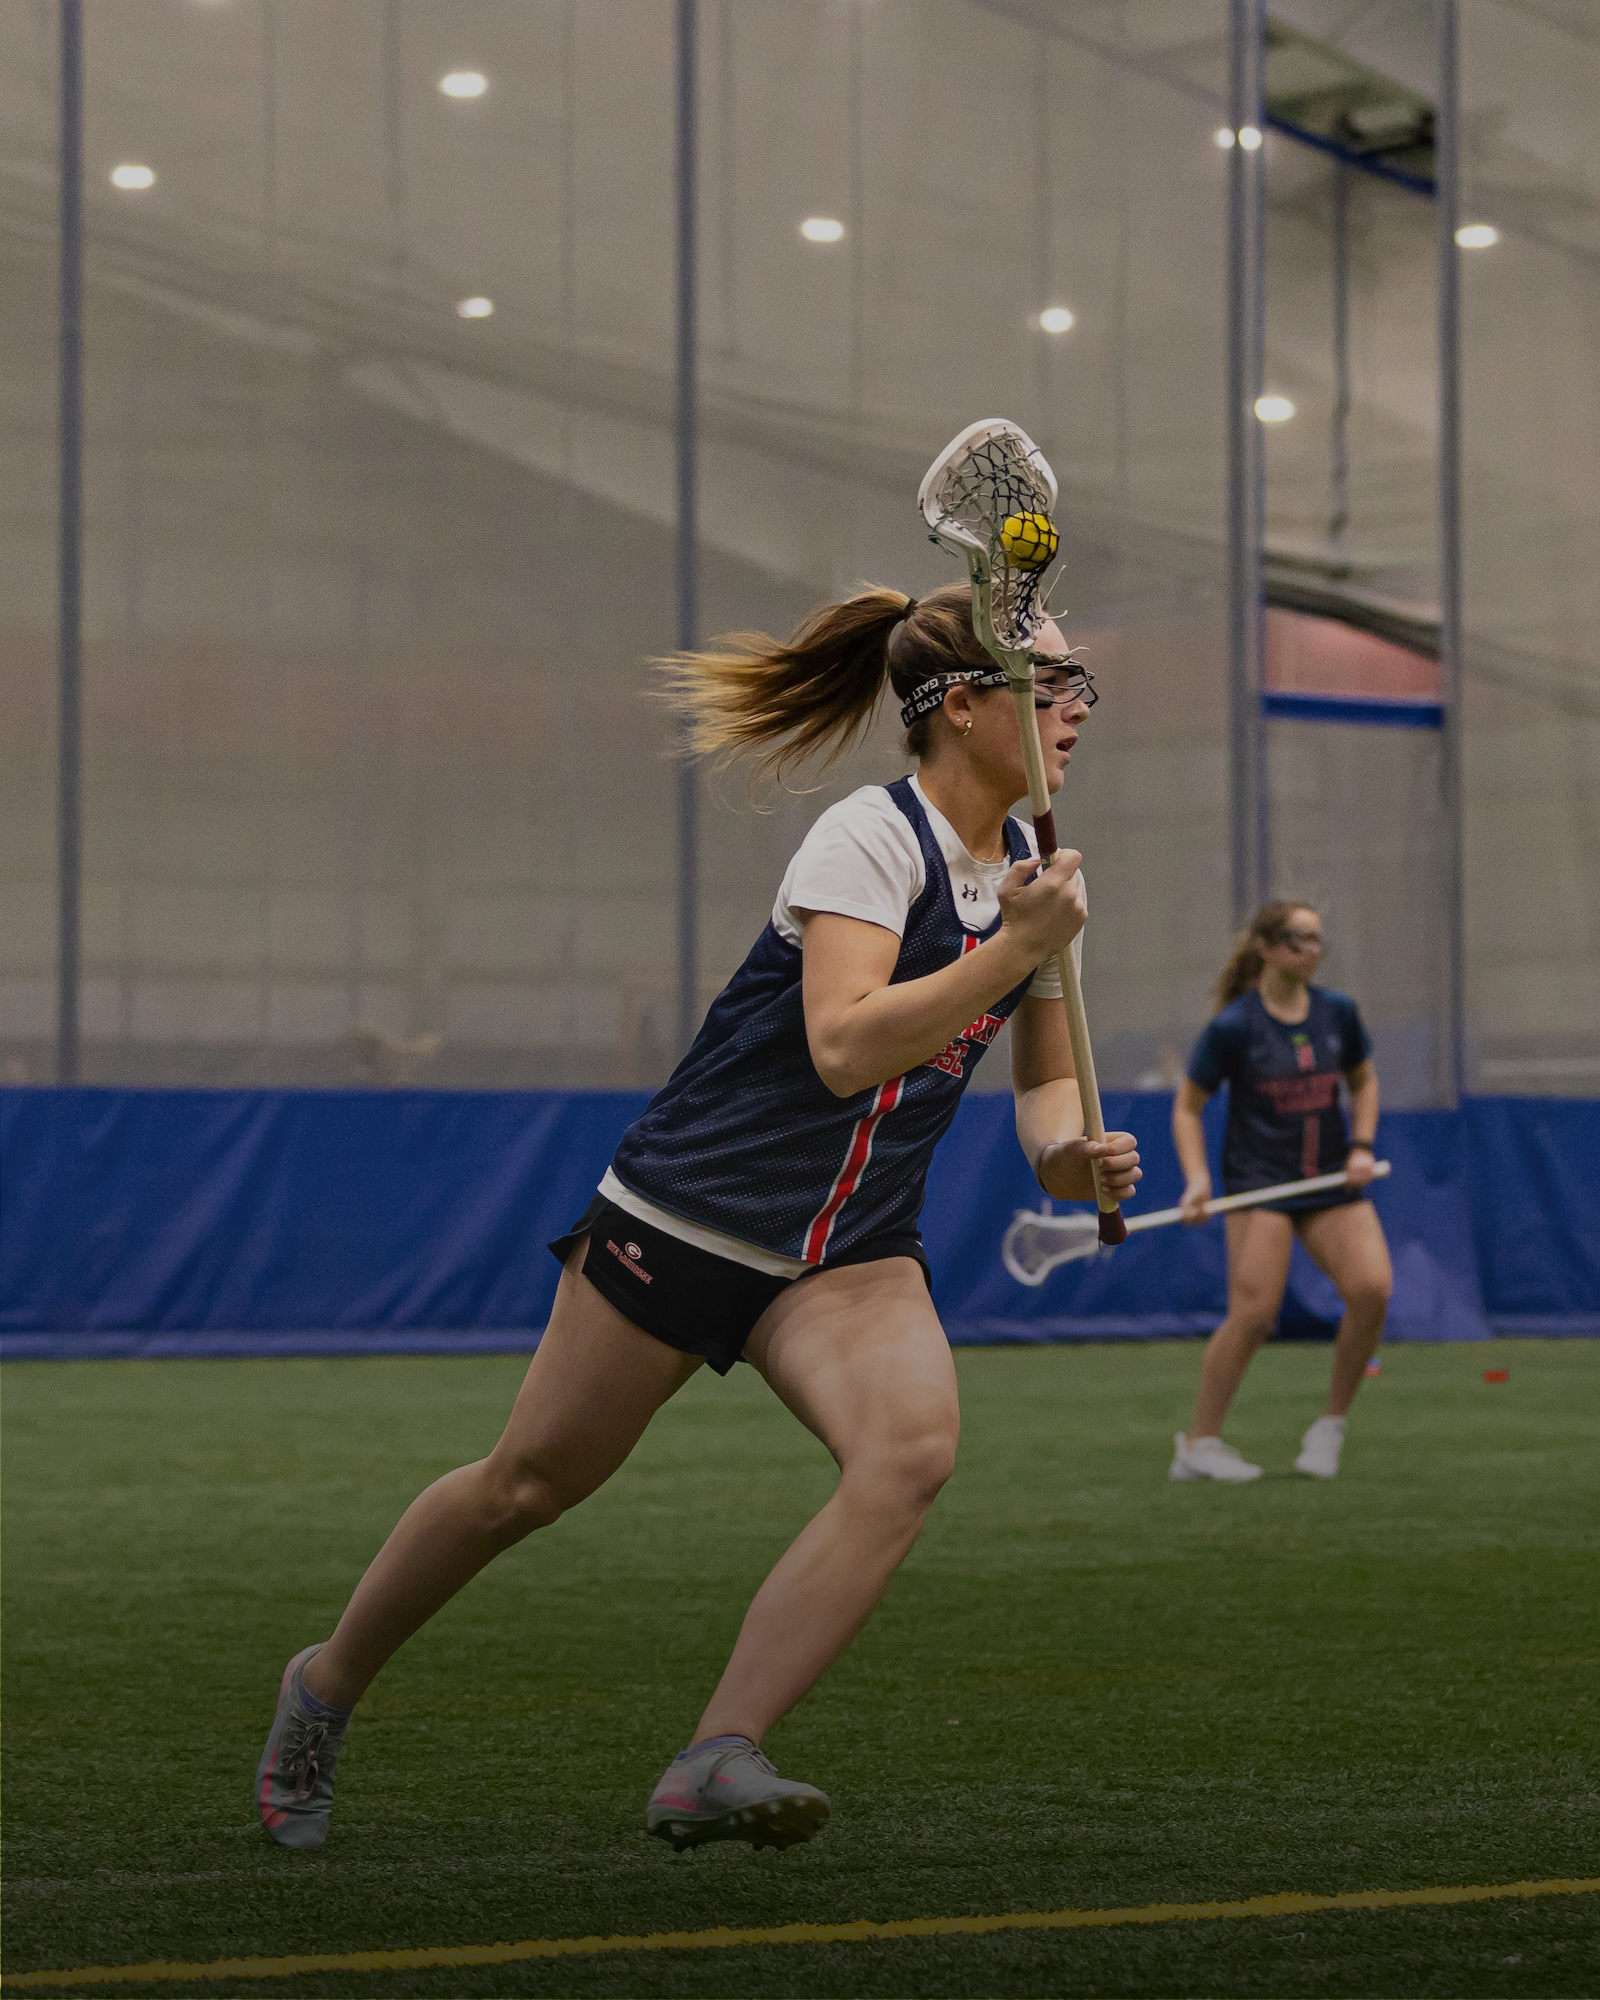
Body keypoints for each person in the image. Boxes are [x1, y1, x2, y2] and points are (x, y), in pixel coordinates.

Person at [255, 580, 1140, 1854]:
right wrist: (1013, 946)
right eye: (1046, 682)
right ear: (958, 705)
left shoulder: (1039, 885)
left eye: (1075, 683)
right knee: (525, 1485)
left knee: (908, 1455)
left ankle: (718, 1750)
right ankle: (324, 1682)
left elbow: (1046, 1088)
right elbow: (843, 1046)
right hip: (689, 1215)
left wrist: (1068, 1156)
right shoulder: (869, 837)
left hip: (849, 1246)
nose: (1075, 707)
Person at [1168, 900, 1391, 1483]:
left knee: (1371, 1289)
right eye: (1298, 939)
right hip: (1260, 1182)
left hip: (1329, 1178)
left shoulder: (1339, 1013)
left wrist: (1362, 1146)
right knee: (1254, 1315)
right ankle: (1198, 1445)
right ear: (1265, 948)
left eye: (1317, 939)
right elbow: (1188, 1108)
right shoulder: (1234, 1026)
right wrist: (1198, 1179)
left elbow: (1364, 1083)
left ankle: (1330, 1427)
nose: (1311, 950)